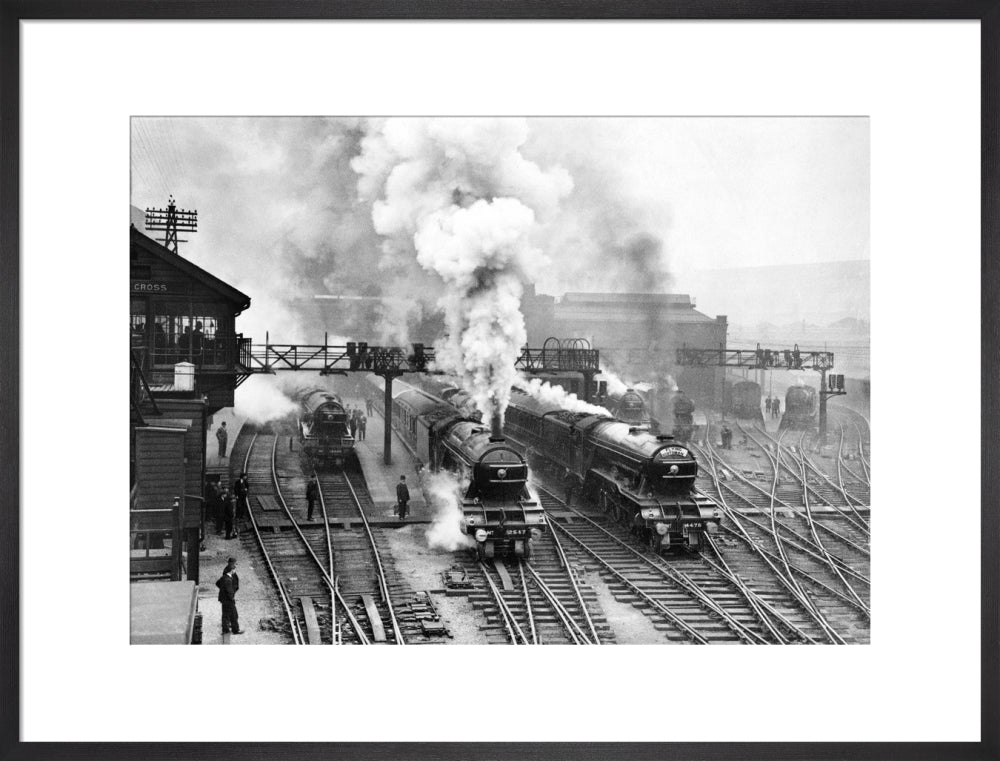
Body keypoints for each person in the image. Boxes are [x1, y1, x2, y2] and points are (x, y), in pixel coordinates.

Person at [216, 558, 244, 635]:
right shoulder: (228, 580)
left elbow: (218, 583)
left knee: (225, 615)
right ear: (231, 571)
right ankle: (235, 630)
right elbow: (229, 591)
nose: (235, 571)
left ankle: (225, 630)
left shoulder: (224, 577)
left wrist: (222, 590)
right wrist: (231, 597)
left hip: (224, 599)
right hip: (229, 600)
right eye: (234, 570)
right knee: (234, 615)